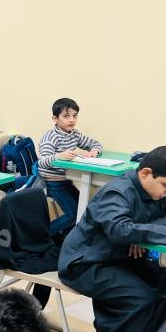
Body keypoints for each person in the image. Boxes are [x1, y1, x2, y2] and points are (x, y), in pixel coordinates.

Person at [58, 146, 166, 332]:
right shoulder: (117, 192)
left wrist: (140, 231)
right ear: (146, 173)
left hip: (119, 258)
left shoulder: (157, 191)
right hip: (86, 263)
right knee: (141, 299)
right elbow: (120, 230)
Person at [37, 97, 103, 236]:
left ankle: (65, 237)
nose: (71, 120)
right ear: (55, 119)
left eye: (75, 115)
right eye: (66, 116)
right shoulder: (51, 137)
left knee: (84, 209)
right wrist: (58, 156)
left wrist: (94, 151)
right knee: (73, 214)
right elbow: (42, 161)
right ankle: (41, 237)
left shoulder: (74, 134)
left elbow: (95, 143)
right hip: (51, 183)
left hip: (66, 181)